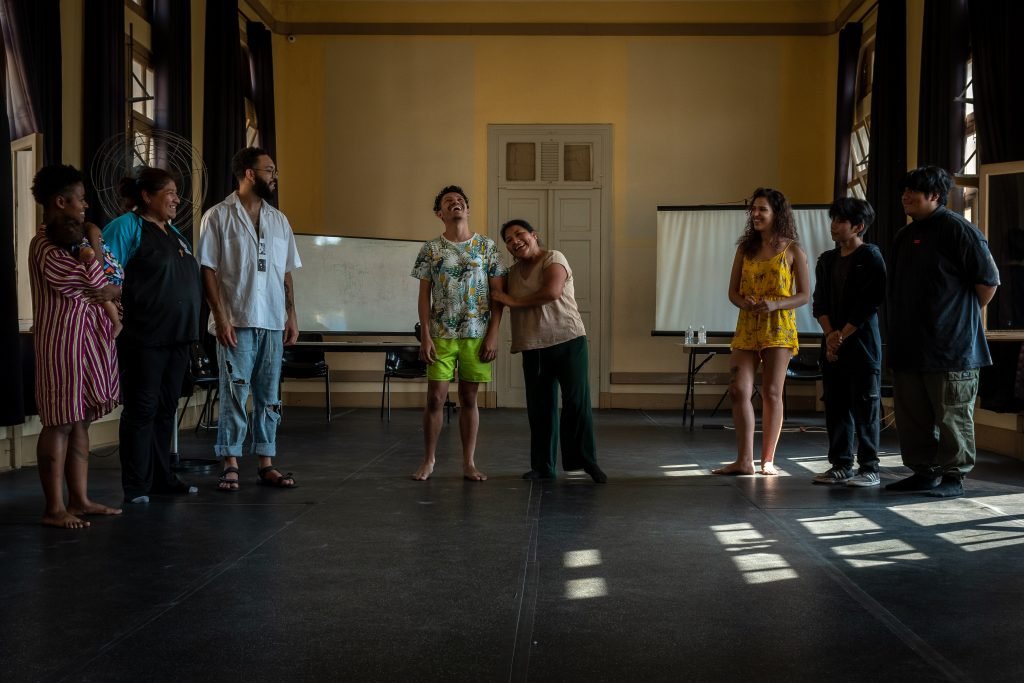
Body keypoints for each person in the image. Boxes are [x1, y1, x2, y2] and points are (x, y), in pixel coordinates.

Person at [885, 166, 1000, 498]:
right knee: (913, 416)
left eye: (913, 191)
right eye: (904, 190)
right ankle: (924, 472)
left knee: (952, 415)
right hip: (910, 345)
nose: (905, 196)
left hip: (952, 346)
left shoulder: (959, 230)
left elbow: (988, 283)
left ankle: (953, 476)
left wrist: (955, 315)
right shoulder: (904, 236)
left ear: (934, 195)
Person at [198, 147, 301, 491]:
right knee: (235, 392)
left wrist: (291, 316)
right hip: (236, 320)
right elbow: (208, 270)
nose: (274, 176)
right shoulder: (218, 215)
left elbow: (286, 272)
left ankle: (266, 462)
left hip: (272, 319)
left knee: (269, 395)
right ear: (248, 173)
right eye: (269, 169)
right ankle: (230, 461)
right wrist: (221, 317)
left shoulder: (279, 220)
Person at [28, 165, 121, 528]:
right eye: (81, 201)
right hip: (61, 342)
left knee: (79, 420)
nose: (85, 207)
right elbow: (95, 283)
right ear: (61, 201)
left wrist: (111, 287)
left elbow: (109, 283)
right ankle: (54, 508)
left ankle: (79, 499)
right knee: (59, 422)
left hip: (84, 340)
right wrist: (95, 242)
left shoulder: (72, 242)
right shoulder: (45, 246)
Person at [103, 167, 202, 504]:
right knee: (142, 409)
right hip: (144, 337)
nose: (177, 199)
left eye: (177, 192)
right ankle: (136, 486)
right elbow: (105, 274)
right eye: (170, 192)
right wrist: (116, 318)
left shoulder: (175, 233)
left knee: (165, 409)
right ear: (147, 196)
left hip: (177, 337)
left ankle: (163, 478)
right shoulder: (126, 227)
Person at [492, 219, 606, 483]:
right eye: (508, 240)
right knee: (540, 408)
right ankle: (543, 466)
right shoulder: (510, 273)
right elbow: (495, 298)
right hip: (533, 346)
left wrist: (512, 301)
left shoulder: (554, 257)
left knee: (576, 402)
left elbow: (552, 292)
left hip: (568, 340)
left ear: (534, 235)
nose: (514, 241)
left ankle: (586, 462)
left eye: (519, 234)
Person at [410, 185, 506, 481]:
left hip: (476, 335)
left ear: (467, 209)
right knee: (436, 399)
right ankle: (429, 460)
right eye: (448, 202)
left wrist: (493, 334)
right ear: (440, 214)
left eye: (460, 200)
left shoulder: (487, 247)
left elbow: (498, 295)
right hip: (441, 334)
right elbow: (423, 296)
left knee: (469, 398)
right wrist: (425, 335)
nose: (456, 203)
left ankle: (469, 463)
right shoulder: (431, 249)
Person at [714, 187, 810, 476]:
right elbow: (732, 292)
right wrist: (746, 302)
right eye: (753, 209)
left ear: (777, 213)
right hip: (748, 325)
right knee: (738, 389)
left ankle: (768, 460)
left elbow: (804, 295)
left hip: (778, 327)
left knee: (771, 392)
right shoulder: (745, 249)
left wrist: (774, 304)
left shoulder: (793, 250)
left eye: (762, 209)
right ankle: (744, 460)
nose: (755, 214)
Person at [811, 198, 886, 487]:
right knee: (836, 404)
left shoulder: (870, 257)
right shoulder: (826, 260)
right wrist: (830, 336)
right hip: (832, 344)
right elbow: (820, 304)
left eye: (840, 221)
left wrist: (841, 335)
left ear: (858, 226)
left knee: (865, 405)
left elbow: (870, 302)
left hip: (862, 344)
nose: (834, 226)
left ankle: (870, 467)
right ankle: (841, 464)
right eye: (833, 220)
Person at [82, 221, 125, 338]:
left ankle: (116, 323)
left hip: (109, 275)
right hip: (115, 272)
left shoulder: (84, 242)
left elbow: (95, 262)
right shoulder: (91, 235)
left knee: (104, 299)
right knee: (108, 299)